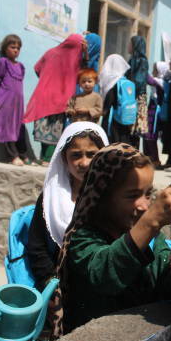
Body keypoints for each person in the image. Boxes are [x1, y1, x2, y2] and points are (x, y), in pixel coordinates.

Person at [56, 143, 171, 333]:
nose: (144, 206)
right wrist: (150, 222)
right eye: (132, 195)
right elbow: (105, 274)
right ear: (103, 198)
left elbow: (164, 288)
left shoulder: (154, 240)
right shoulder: (83, 239)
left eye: (148, 194)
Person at [27, 122, 108, 292]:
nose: (84, 163)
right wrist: (51, 286)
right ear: (64, 158)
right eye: (76, 155)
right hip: (60, 286)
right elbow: (37, 247)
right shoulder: (50, 199)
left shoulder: (113, 196)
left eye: (92, 154)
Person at [24, 34, 87, 164]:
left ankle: (44, 158)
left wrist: (47, 79)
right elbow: (82, 75)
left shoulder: (50, 52)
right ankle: (47, 160)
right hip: (60, 100)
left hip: (43, 95)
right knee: (54, 131)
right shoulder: (75, 60)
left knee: (43, 129)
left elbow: (37, 69)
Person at [0, 34, 29, 166]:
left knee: (19, 127)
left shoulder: (21, 66)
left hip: (18, 103)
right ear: (5, 48)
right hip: (6, 101)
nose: (16, 50)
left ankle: (23, 154)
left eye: (18, 48)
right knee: (8, 127)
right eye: (12, 47)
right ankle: (13, 156)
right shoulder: (3, 62)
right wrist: (2, 93)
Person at [99, 54, 132, 144]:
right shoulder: (126, 80)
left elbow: (109, 100)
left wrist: (103, 111)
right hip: (124, 117)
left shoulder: (111, 81)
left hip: (112, 118)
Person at [142, 62, 168, 167]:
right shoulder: (158, 81)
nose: (153, 71)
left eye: (155, 69)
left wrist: (141, 65)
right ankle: (150, 158)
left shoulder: (161, 82)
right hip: (151, 109)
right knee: (147, 136)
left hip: (155, 112)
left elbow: (148, 79)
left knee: (151, 135)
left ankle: (155, 159)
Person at [126, 35, 149, 148]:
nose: (128, 46)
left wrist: (129, 92)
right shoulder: (131, 60)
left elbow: (139, 81)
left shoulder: (142, 61)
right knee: (130, 127)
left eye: (130, 44)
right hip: (131, 96)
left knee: (136, 129)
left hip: (137, 97)